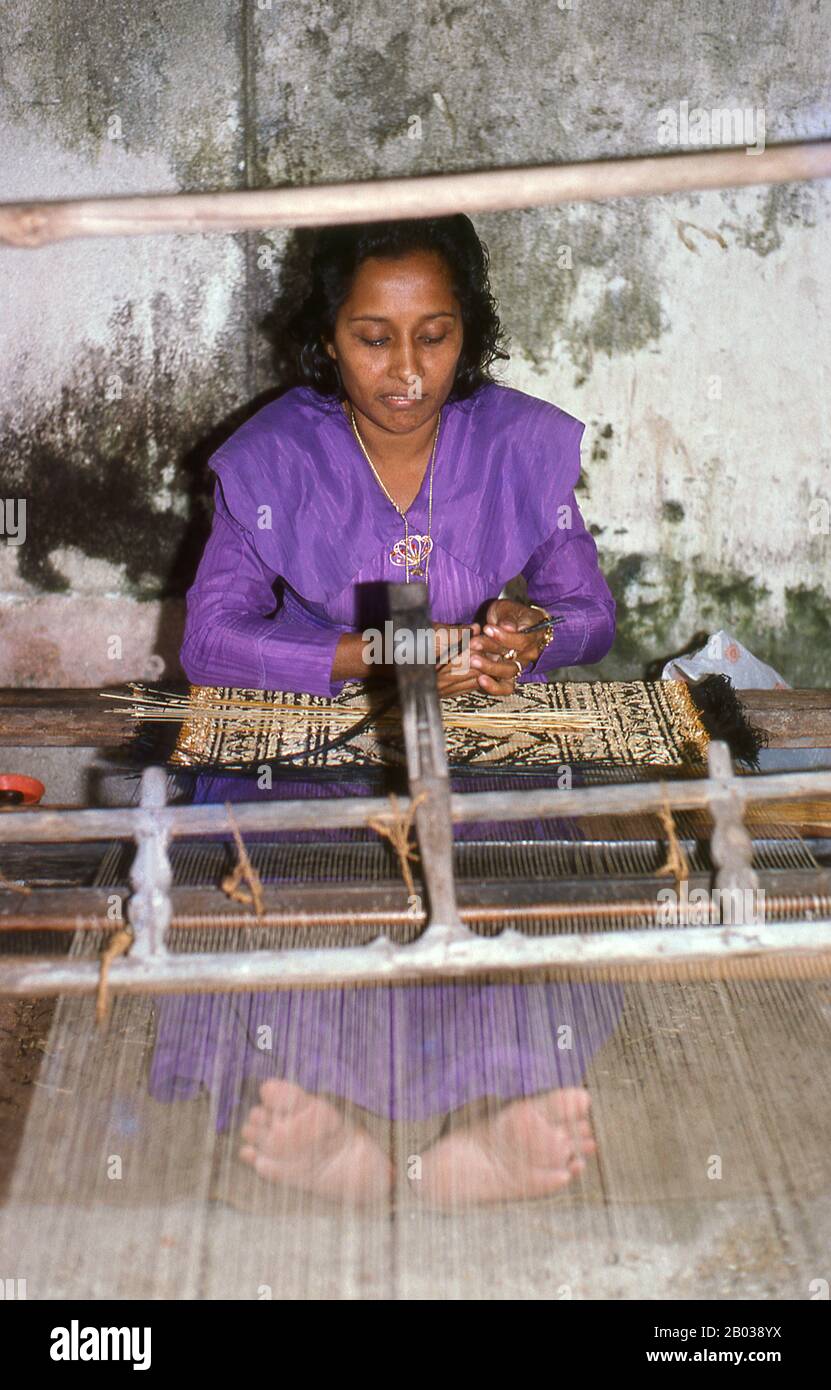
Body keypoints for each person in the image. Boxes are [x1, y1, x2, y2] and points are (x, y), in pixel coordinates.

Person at [150, 215, 621, 1205]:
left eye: (435, 334)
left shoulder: (520, 446)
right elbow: (210, 640)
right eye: (374, 336)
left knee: (530, 858)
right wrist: (374, 656)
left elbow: (591, 615)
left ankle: (496, 1112)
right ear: (329, 336)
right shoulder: (274, 457)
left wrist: (526, 636)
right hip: (316, 734)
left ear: (469, 330)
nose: (406, 369)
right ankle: (317, 1112)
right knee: (266, 860)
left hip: (482, 734)